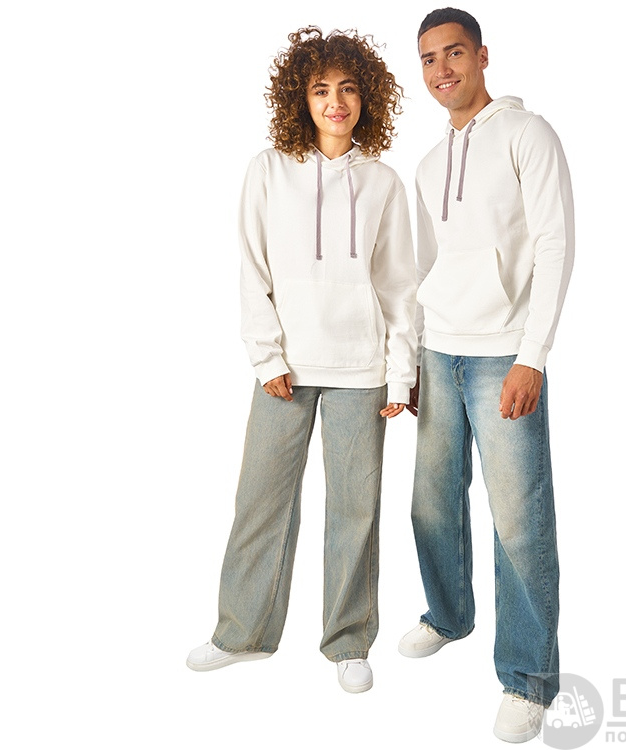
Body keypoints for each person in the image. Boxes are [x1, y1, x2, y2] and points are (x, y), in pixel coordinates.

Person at [186, 27, 417, 694]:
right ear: (301, 98)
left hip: (360, 372)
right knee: (260, 502)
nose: (335, 102)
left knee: (355, 511)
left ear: (367, 98)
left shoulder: (382, 182)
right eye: (320, 90)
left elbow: (399, 286)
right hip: (285, 368)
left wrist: (399, 373)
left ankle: (348, 641)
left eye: (347, 89)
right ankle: (242, 634)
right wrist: (266, 357)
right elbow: (251, 269)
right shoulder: (268, 170)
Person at [396, 7, 574, 742]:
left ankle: (528, 678)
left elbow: (556, 243)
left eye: (454, 53)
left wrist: (532, 355)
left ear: (482, 55)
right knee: (432, 504)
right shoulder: (427, 164)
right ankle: (449, 615)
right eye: (429, 59)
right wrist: (411, 358)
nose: (443, 70)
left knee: (519, 522)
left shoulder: (527, 134)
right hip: (439, 349)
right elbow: (420, 266)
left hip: (503, 351)